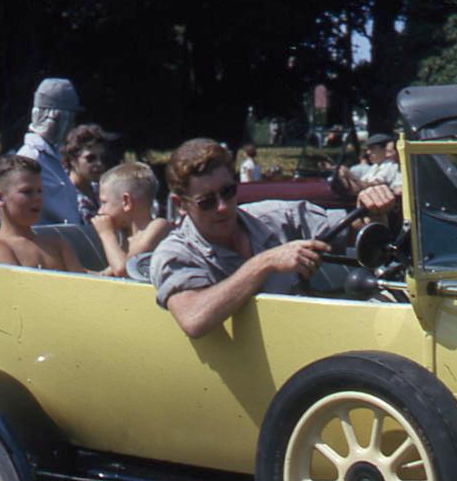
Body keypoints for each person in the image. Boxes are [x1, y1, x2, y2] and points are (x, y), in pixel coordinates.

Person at [151, 137, 397, 338]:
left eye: (228, 192)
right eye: (206, 202)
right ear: (179, 204)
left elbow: (360, 231)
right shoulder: (174, 253)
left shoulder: (280, 216)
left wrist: (373, 207)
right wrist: (265, 262)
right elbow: (194, 319)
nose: (223, 207)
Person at [0, 154, 85, 271]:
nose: (38, 197)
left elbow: (82, 280)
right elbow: (19, 286)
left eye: (40, 191)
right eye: (27, 192)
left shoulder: (57, 244)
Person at [16, 77, 84, 225]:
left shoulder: (54, 156)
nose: (72, 125)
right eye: (71, 119)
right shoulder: (30, 157)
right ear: (57, 117)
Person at [92, 161, 170, 276]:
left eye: (104, 202)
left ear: (126, 202)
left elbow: (123, 270)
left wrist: (106, 234)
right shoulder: (124, 237)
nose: (100, 211)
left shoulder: (159, 227)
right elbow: (103, 276)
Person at [61, 123, 115, 223]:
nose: (99, 163)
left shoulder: (102, 191)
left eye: (102, 157)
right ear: (72, 160)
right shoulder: (62, 195)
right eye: (90, 158)